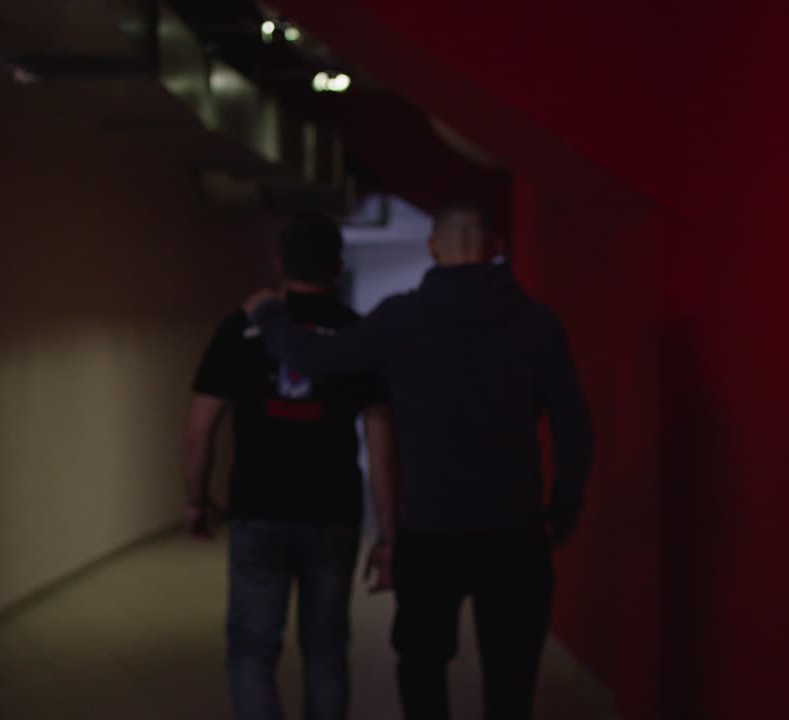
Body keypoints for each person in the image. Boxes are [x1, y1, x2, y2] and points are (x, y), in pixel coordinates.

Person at [243, 201, 594, 720]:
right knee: (511, 680)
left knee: (422, 669)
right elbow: (575, 430)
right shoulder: (539, 326)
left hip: (431, 533)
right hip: (516, 533)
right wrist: (562, 510)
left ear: (433, 249)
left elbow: (316, 360)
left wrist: (269, 313)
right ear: (496, 250)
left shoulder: (402, 319)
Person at [182, 210, 399, 720]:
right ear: (337, 268)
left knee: (252, 652)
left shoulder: (240, 327)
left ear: (279, 263)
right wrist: (390, 535)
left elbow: (197, 431)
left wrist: (196, 499)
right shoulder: (358, 335)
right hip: (333, 513)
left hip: (259, 509)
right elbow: (383, 443)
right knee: (326, 652)